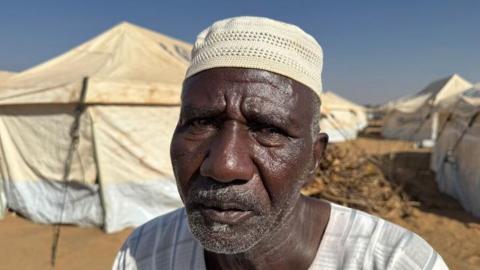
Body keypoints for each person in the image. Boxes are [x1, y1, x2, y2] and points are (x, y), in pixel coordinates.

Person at [113, 16, 448, 270]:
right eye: (201, 123)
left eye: (269, 131)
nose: (224, 165)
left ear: (314, 157)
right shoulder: (144, 253)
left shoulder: (394, 261)